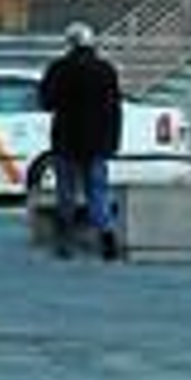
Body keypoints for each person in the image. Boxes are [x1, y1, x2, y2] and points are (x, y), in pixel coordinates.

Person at [39, 21, 123, 261]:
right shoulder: (106, 70)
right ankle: (107, 236)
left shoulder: (58, 68)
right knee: (98, 191)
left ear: (69, 42)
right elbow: (114, 109)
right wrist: (113, 141)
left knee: (66, 192)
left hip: (66, 139)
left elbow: (46, 103)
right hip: (98, 141)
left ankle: (65, 241)